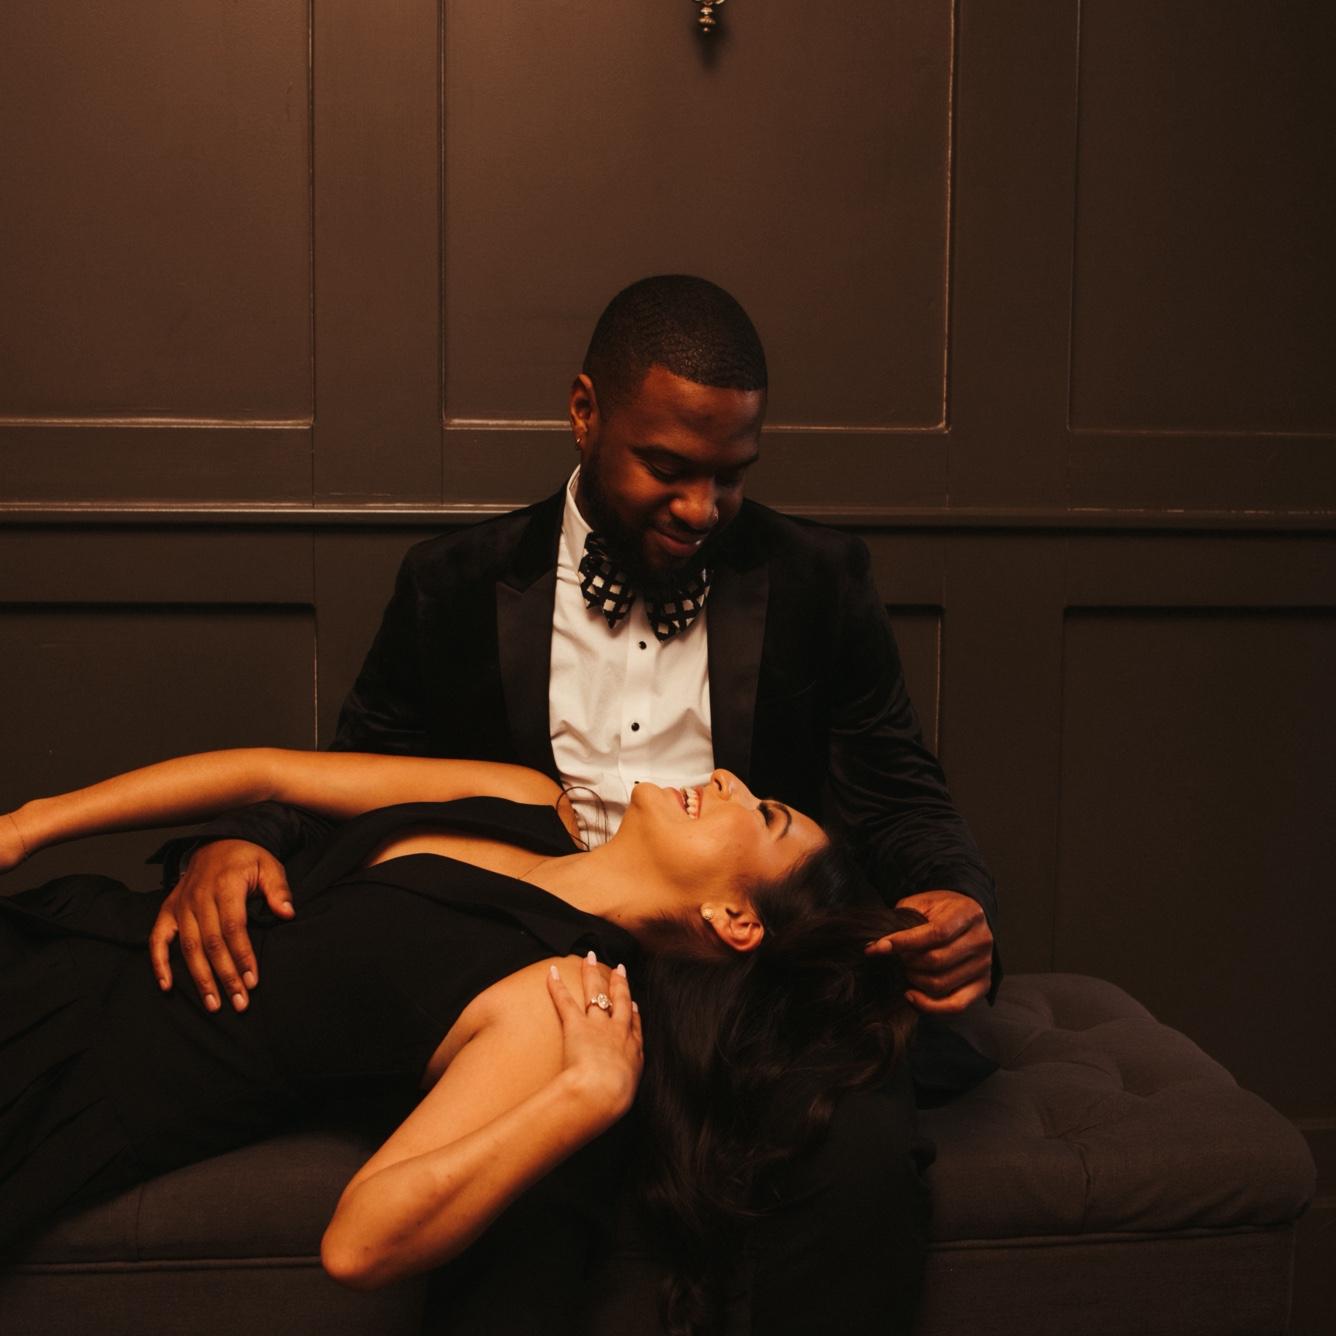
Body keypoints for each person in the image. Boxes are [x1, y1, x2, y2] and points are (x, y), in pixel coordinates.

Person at [139, 275, 999, 1330]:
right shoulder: (455, 581)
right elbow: (363, 757)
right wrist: (237, 840)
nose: (702, 509)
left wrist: (954, 896)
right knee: (529, 1201)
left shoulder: (820, 579)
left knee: (854, 1151)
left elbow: (899, 789)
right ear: (585, 411)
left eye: (731, 477)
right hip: (528, 964)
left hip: (730, 971)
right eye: (668, 470)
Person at [1, 749, 920, 1336]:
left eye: (763, 815)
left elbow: (360, 1245)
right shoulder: (526, 797)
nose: (727, 779)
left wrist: (585, 1097)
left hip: (67, 1070)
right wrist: (25, 826)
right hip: (62, 934)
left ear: (734, 919)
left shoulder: (560, 998)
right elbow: (270, 774)